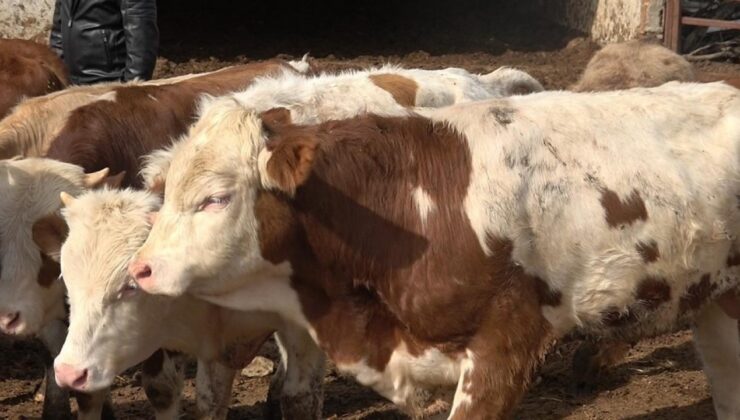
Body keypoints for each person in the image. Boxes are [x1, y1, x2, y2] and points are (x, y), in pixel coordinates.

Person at [50, 0, 159, 85]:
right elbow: (58, 29)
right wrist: (58, 71)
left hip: (109, 83)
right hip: (72, 85)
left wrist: (131, 88)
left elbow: (141, 38)